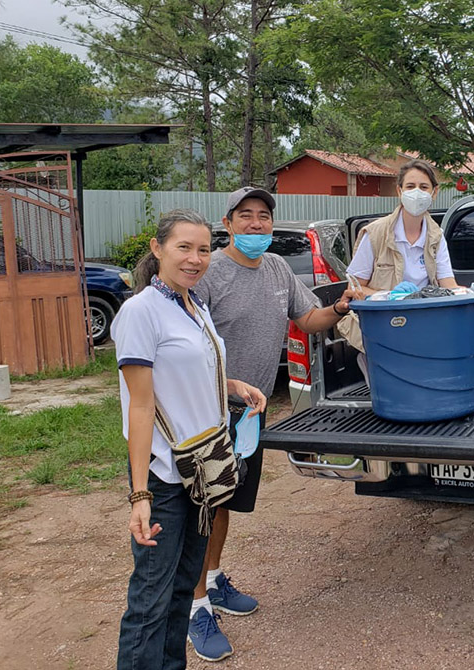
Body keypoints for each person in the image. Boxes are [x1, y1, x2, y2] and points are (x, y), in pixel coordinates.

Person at [188, 187, 361, 662]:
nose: (257, 225)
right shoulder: (208, 273)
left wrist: (341, 307)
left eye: (264, 217)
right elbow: (184, 344)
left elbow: (308, 319)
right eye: (246, 216)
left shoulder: (279, 269)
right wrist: (226, 384)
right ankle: (194, 606)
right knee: (200, 508)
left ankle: (216, 579)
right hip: (205, 411)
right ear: (228, 222)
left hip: (251, 411)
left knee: (225, 501)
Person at [113, 209, 267, 670]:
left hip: (203, 470)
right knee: (150, 599)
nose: (195, 258)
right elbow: (139, 406)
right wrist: (139, 495)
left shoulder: (192, 305)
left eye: (203, 249)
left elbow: (188, 373)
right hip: (164, 475)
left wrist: (232, 384)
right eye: (184, 247)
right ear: (158, 249)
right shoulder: (141, 311)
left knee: (182, 588)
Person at [337, 160, 457, 363]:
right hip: (382, 328)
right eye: (410, 186)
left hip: (423, 328)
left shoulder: (437, 236)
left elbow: (449, 286)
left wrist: (472, 294)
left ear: (434, 193)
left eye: (424, 187)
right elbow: (355, 289)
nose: (417, 192)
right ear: (399, 191)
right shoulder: (375, 234)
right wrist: (391, 297)